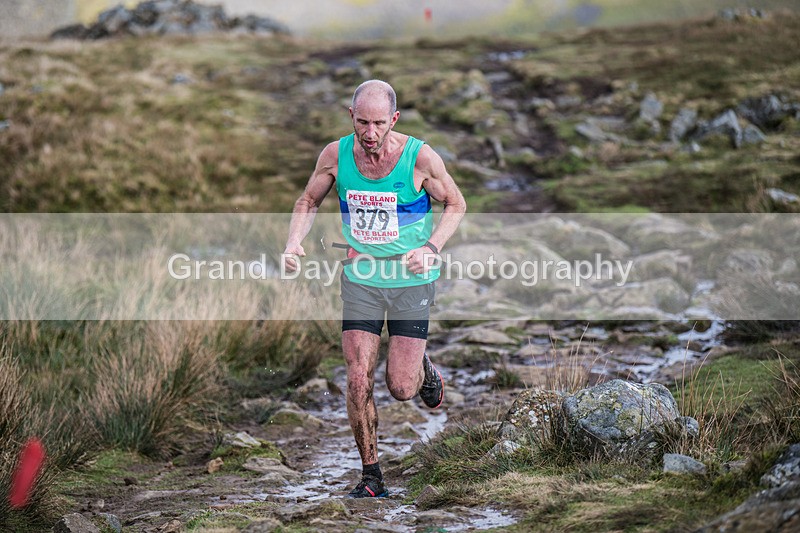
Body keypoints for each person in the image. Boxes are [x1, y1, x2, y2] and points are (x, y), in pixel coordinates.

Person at [282, 79, 466, 498]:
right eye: (362, 122)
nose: (369, 132)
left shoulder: (420, 158)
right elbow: (308, 201)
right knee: (357, 377)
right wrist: (294, 241)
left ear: (394, 119)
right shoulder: (335, 155)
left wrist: (431, 248)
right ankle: (371, 477)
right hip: (361, 278)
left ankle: (423, 369)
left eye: (379, 123)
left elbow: (456, 203)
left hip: (410, 281)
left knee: (401, 387)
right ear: (351, 116)